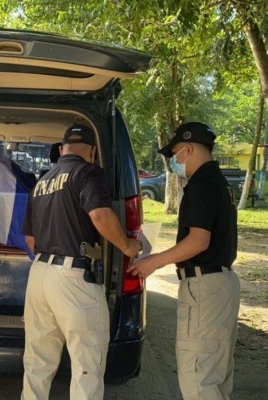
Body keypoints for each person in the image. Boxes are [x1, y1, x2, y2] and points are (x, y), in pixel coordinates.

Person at [21, 124, 142, 399]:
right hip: (73, 277)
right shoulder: (88, 172)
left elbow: (29, 238)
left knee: (38, 361)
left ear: (62, 150)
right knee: (87, 362)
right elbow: (99, 215)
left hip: (39, 273)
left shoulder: (42, 182)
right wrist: (127, 246)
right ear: (93, 151)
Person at [128, 122, 240, 400]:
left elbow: (198, 240)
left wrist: (155, 261)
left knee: (199, 377)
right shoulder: (219, 182)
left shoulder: (201, 185)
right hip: (222, 284)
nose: (173, 162)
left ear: (188, 150)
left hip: (205, 287)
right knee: (216, 375)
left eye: (174, 154)